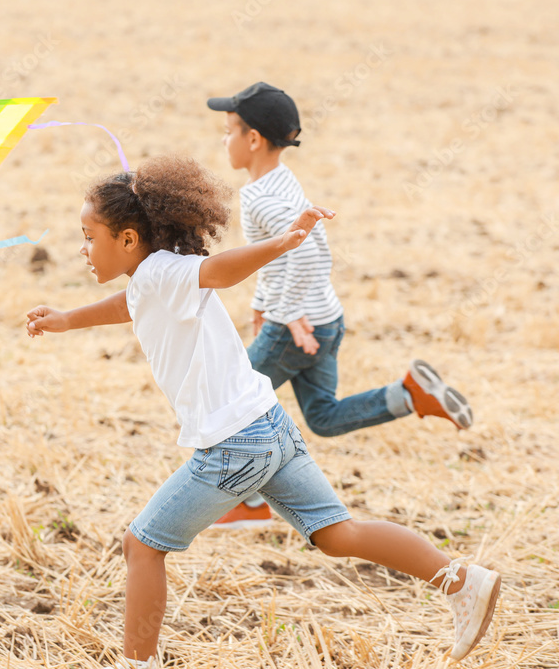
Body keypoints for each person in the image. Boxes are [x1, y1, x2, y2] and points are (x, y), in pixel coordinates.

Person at [25, 156, 499, 667]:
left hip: (233, 444)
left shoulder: (165, 272)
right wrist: (68, 320)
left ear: (126, 240)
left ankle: (135, 664)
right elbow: (129, 304)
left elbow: (218, 271)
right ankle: (459, 579)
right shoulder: (151, 280)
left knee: (141, 547)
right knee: (339, 534)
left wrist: (281, 243)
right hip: (269, 425)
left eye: (88, 235)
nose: (81, 247)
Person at [204, 82, 473, 529]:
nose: (224, 139)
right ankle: (408, 395)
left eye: (229, 130)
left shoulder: (263, 197)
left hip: (296, 327)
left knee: (234, 401)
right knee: (324, 417)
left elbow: (308, 253)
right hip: (326, 319)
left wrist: (285, 314)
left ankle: (248, 502)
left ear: (253, 140)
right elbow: (280, 259)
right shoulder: (280, 182)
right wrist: (263, 302)